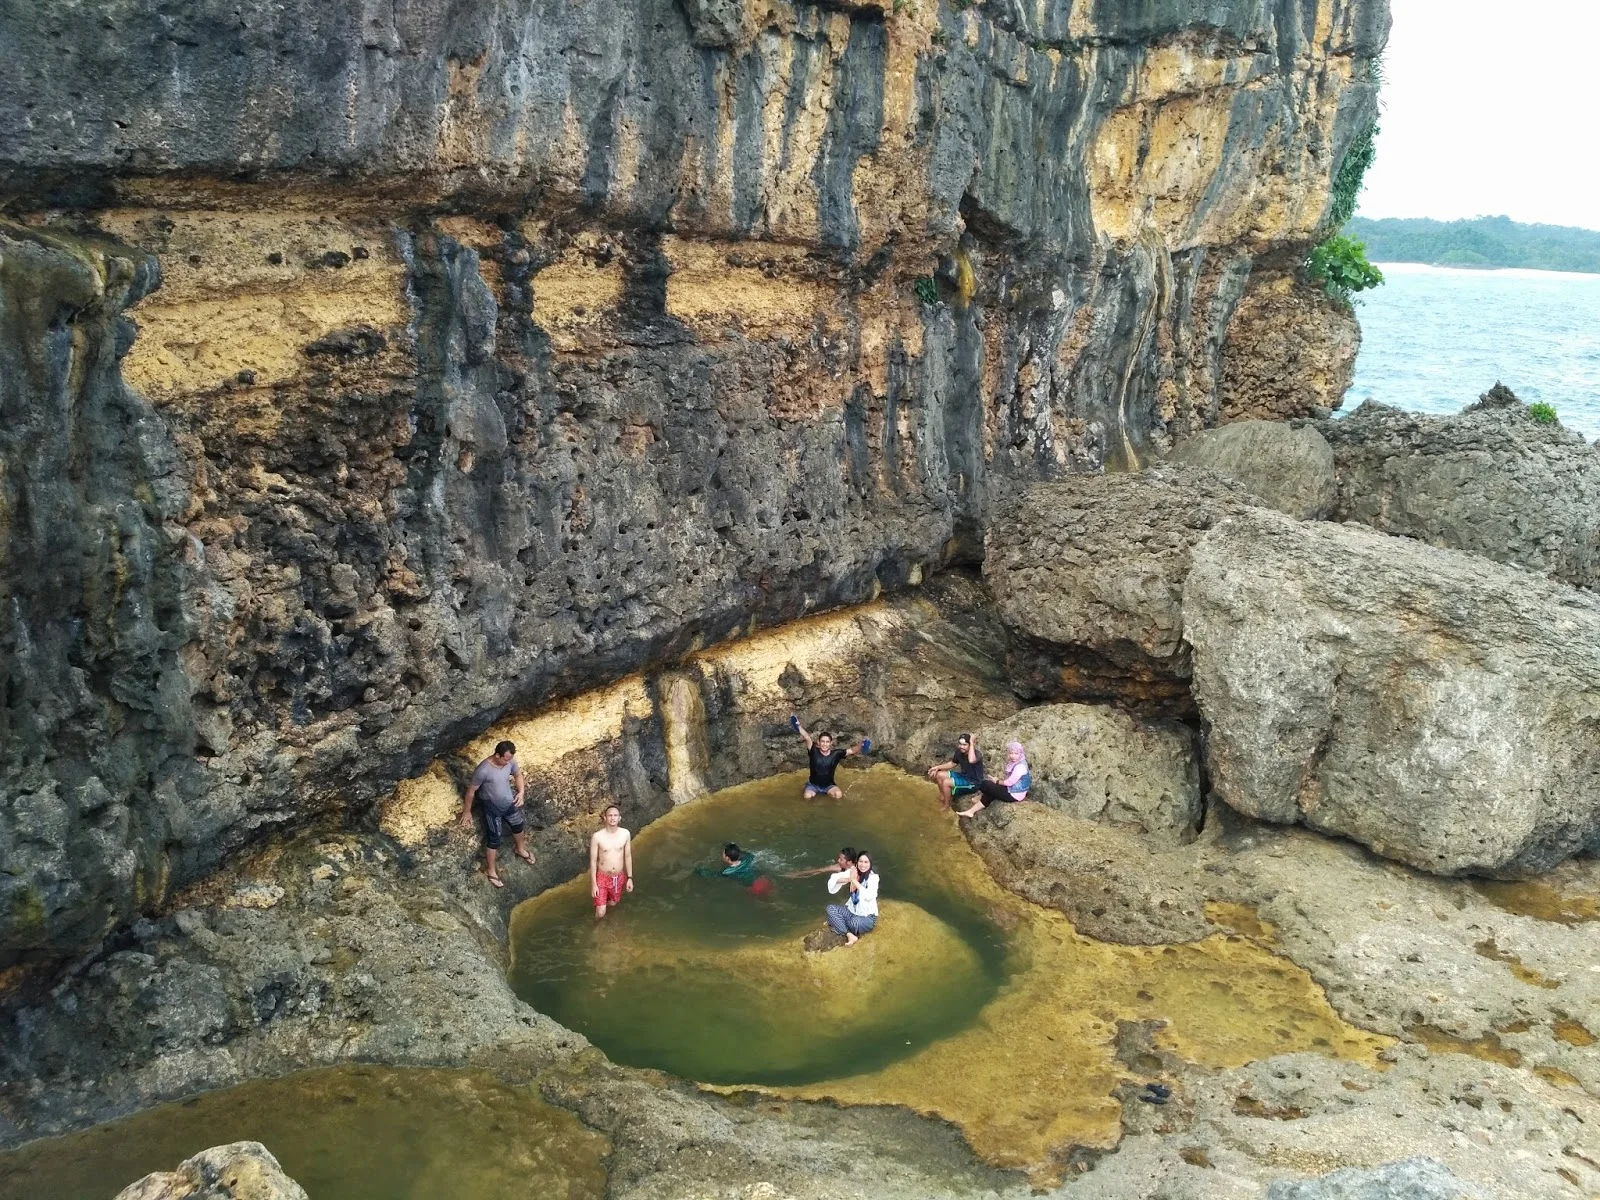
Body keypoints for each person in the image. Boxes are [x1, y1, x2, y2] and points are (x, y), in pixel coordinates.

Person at [458, 740, 534, 888]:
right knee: (494, 838)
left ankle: (520, 849)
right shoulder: (484, 769)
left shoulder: (510, 761)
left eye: (510, 759)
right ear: (497, 755)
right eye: (506, 759)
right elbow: (471, 791)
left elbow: (518, 775)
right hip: (492, 807)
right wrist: (467, 811)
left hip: (509, 802)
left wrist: (521, 792)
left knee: (518, 825)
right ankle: (491, 871)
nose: (509, 762)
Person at [791, 715, 871, 799]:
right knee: (807, 796)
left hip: (828, 786)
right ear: (818, 742)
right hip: (813, 785)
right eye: (822, 741)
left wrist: (861, 744)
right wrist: (798, 726)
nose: (824, 744)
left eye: (827, 742)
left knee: (838, 795)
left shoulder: (836, 754)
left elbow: (852, 750)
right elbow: (807, 737)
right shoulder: (813, 750)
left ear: (830, 743)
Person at [956, 740, 1032, 817]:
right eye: (1011, 753)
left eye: (1016, 754)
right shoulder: (1019, 762)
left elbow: (1009, 782)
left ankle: (979, 799)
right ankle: (971, 812)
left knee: (984, 784)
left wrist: (997, 781)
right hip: (1015, 791)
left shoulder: (1020, 767)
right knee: (990, 793)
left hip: (1014, 794)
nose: (1013, 756)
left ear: (1021, 754)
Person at [589, 803, 633, 918]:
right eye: (610, 815)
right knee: (601, 912)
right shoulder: (597, 837)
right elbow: (593, 861)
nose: (612, 818)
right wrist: (594, 884)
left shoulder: (625, 834)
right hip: (602, 877)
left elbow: (628, 856)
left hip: (618, 877)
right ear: (605, 818)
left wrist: (630, 878)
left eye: (615, 815)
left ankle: (605, 912)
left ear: (619, 818)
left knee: (613, 904)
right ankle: (596, 927)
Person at [825, 850, 879, 945]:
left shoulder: (874, 878)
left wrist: (854, 881)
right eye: (860, 861)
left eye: (866, 862)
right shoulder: (854, 872)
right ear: (857, 862)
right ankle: (849, 934)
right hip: (851, 911)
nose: (863, 865)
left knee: (853, 923)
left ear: (870, 864)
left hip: (866, 917)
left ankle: (837, 923)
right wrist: (849, 879)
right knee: (830, 908)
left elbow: (869, 895)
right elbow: (834, 879)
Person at [927, 733, 984, 809]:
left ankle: (946, 805)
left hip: (973, 782)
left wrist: (972, 743)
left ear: (970, 745)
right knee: (939, 775)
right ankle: (943, 796)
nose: (961, 747)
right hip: (963, 775)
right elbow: (952, 763)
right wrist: (937, 767)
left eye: (965, 745)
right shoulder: (959, 752)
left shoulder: (977, 754)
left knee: (946, 782)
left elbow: (971, 760)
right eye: (960, 744)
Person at [695, 842, 761, 885]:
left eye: (723, 853)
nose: (722, 855)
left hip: (753, 887)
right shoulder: (748, 858)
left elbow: (710, 875)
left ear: (727, 858)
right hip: (762, 880)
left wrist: (696, 870)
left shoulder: (727, 872)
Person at [786, 845, 856, 879]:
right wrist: (798, 874)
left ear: (849, 862)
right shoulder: (839, 867)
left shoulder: (859, 869)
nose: (838, 860)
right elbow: (820, 870)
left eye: (841, 859)